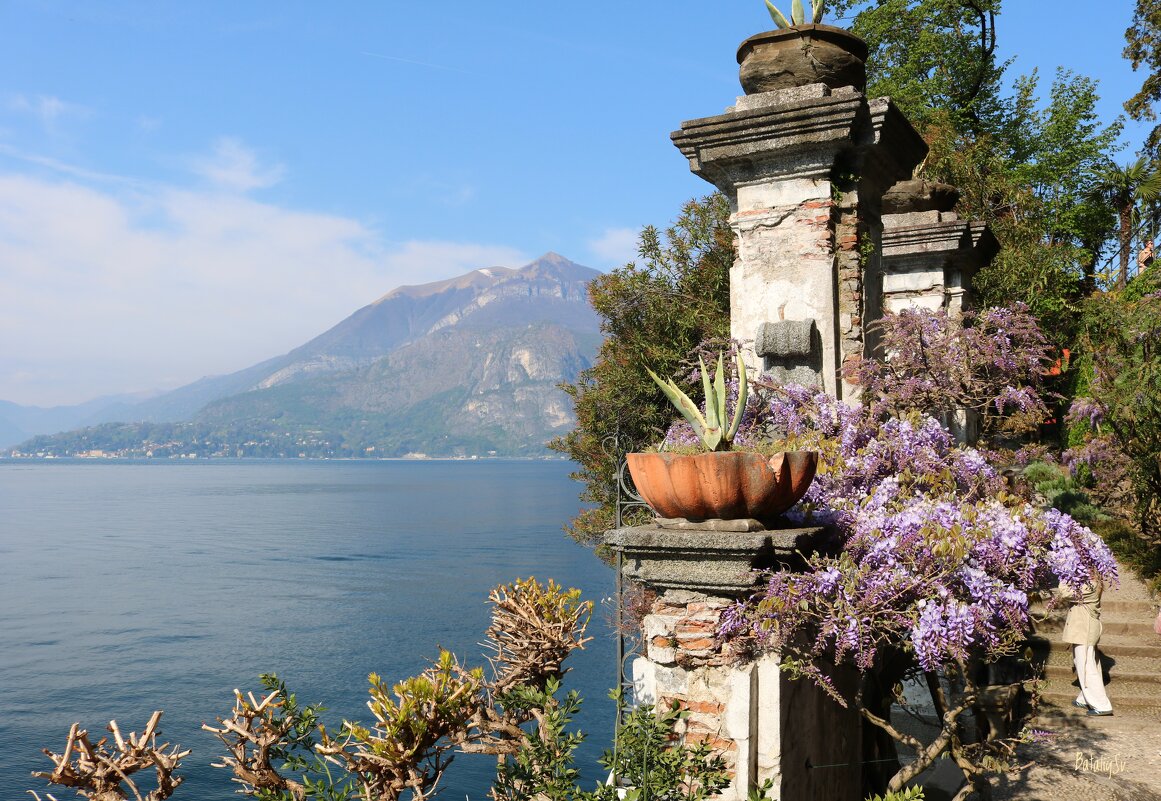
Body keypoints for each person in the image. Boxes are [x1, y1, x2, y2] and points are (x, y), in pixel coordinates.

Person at [1061, 580, 1113, 716]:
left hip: (1085, 628)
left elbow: (1065, 593)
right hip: (1082, 627)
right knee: (1082, 661)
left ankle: (1101, 704)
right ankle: (1084, 698)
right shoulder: (1089, 582)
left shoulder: (1090, 584)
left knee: (1086, 665)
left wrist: (1063, 574)